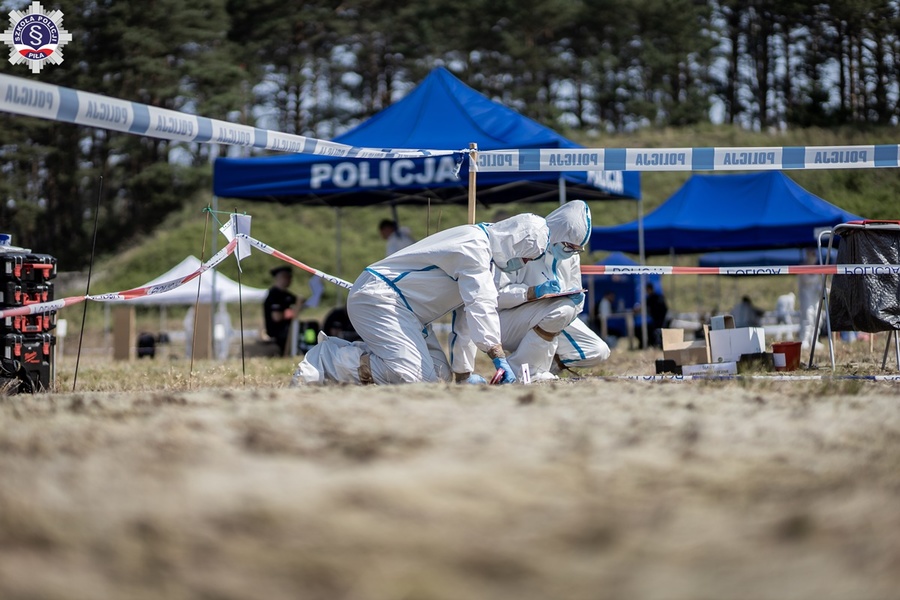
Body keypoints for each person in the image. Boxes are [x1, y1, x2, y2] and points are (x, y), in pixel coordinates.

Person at [294, 213, 550, 385]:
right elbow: (481, 305)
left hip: (407, 312)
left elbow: (466, 319)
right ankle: (328, 358)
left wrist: (463, 374)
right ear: (517, 243)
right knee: (414, 377)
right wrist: (497, 355)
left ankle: (369, 357)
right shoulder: (474, 249)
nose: (524, 263)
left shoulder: (485, 258)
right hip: (380, 299)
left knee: (437, 377)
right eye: (526, 256)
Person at [453, 201, 610, 381]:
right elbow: (496, 295)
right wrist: (532, 292)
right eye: (569, 246)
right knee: (562, 310)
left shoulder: (570, 258)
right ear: (557, 233)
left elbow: (574, 296)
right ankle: (522, 371)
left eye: (577, 249)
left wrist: (576, 300)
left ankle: (533, 366)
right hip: (507, 321)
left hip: (552, 317)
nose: (571, 252)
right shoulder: (527, 244)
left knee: (597, 351)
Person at [264, 265, 299, 356]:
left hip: (288, 333)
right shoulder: (274, 295)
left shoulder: (287, 295)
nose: (290, 280)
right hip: (278, 335)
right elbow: (277, 317)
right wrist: (293, 312)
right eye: (288, 277)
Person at [645, 282, 669, 347]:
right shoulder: (657, 297)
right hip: (659, 318)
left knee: (658, 332)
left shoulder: (652, 298)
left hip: (659, 318)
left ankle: (659, 344)